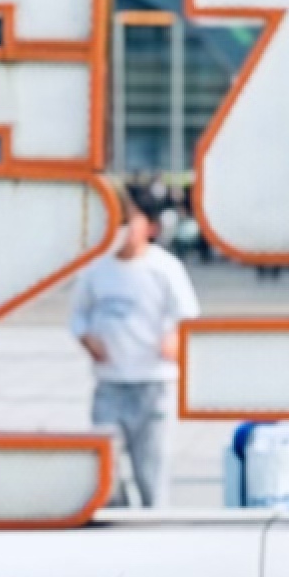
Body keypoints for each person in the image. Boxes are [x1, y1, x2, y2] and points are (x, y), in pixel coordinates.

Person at [69, 204, 199, 507]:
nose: (124, 231)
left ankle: (154, 525)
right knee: (107, 471)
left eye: (130, 222)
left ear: (149, 227)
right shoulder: (95, 268)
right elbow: (77, 314)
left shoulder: (165, 268)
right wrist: (88, 339)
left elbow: (187, 314)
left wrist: (173, 338)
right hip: (110, 383)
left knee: (151, 471)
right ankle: (117, 518)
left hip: (153, 382)